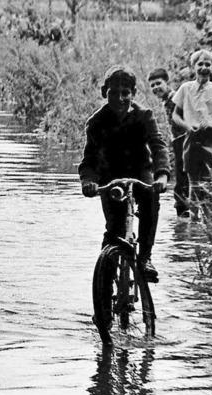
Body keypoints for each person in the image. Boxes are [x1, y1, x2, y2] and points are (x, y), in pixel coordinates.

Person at [79, 65, 170, 279]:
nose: (120, 99)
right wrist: (88, 182)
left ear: (133, 94)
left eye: (125, 93)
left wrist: (162, 174)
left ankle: (145, 257)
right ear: (104, 93)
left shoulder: (144, 116)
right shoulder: (96, 122)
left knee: (150, 201)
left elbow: (158, 146)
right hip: (110, 177)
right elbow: (88, 160)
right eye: (113, 93)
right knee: (114, 230)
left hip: (140, 172)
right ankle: (104, 289)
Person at [171, 49, 212, 218]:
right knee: (193, 182)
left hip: (211, 140)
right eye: (200, 64)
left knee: (211, 181)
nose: (204, 67)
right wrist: (187, 125)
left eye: (208, 64)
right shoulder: (185, 88)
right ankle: (194, 220)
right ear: (193, 67)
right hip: (191, 137)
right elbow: (175, 115)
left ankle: (210, 220)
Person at [148, 68, 190, 218]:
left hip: (185, 140)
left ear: (167, 82)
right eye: (152, 85)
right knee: (181, 178)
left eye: (158, 83)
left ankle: (184, 212)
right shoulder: (168, 100)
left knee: (182, 179)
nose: (155, 88)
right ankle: (184, 212)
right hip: (178, 140)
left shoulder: (175, 98)